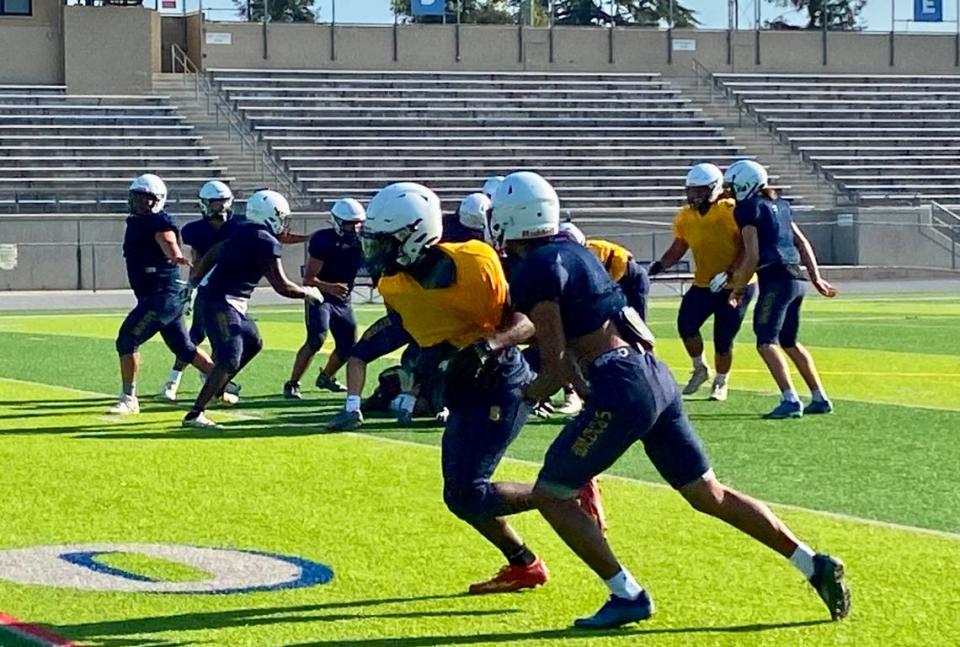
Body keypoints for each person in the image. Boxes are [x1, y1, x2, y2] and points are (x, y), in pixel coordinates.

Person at [491, 171, 850, 629]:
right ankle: (810, 561)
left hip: (621, 381)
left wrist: (519, 396)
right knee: (708, 494)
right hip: (652, 375)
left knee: (551, 493)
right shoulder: (576, 251)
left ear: (511, 219)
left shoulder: (537, 268)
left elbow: (557, 361)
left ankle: (627, 594)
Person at [361, 181, 549, 594]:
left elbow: (530, 319)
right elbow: (428, 336)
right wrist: (420, 375)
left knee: (468, 493)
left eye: (384, 242)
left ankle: (564, 490)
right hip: (461, 388)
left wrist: (489, 344)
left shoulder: (475, 262)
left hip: (501, 380)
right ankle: (526, 563)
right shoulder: (393, 285)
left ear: (415, 235)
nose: (375, 254)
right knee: (461, 495)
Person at [182, 189, 324, 428]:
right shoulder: (263, 240)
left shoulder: (242, 229)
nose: (283, 222)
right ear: (270, 215)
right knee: (229, 358)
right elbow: (282, 286)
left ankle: (218, 388)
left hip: (223, 299)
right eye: (281, 217)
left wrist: (194, 281)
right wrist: (309, 293)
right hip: (222, 301)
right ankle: (196, 413)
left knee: (253, 342)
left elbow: (214, 252)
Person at [724, 160, 837, 419]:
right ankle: (819, 397)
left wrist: (738, 290)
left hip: (775, 278)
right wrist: (816, 277)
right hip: (796, 279)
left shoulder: (748, 208)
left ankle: (790, 398)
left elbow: (751, 255)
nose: (729, 191)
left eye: (732, 186)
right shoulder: (781, 205)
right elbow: (802, 242)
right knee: (789, 341)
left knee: (765, 341)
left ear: (744, 183)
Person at [648, 163, 756, 402]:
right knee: (686, 325)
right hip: (704, 283)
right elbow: (680, 245)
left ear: (715, 188)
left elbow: (746, 246)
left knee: (723, 338)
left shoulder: (729, 210)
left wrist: (730, 272)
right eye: (691, 190)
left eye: (700, 190)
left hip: (735, 284)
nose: (694, 195)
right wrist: (659, 266)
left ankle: (721, 381)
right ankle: (700, 368)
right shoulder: (686, 216)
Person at [109, 174, 214, 415]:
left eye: (144, 198)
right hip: (161, 295)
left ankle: (128, 398)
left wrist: (176, 254)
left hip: (161, 296)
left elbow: (166, 238)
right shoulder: (138, 221)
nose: (137, 202)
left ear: (156, 200)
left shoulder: (156, 221)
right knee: (185, 348)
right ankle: (222, 382)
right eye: (135, 197)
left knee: (127, 340)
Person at [554, 221, 650, 416]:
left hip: (629, 279)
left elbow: (605, 288)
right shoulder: (566, 257)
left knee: (633, 333)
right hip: (610, 283)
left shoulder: (589, 256)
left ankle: (645, 378)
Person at [161, 180, 239, 404]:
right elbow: (196, 259)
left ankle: (214, 380)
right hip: (207, 288)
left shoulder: (237, 226)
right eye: (215, 203)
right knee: (195, 336)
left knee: (226, 339)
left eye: (223, 203)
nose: (220, 208)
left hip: (231, 289)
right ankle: (172, 381)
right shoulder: (195, 230)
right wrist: (192, 284)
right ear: (204, 204)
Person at [284, 198, 366, 399]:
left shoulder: (362, 240)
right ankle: (292, 383)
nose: (354, 228)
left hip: (342, 299)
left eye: (357, 223)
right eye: (349, 223)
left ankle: (326, 377)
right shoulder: (324, 240)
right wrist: (330, 287)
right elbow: (309, 279)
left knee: (348, 345)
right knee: (316, 338)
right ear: (337, 221)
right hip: (319, 296)